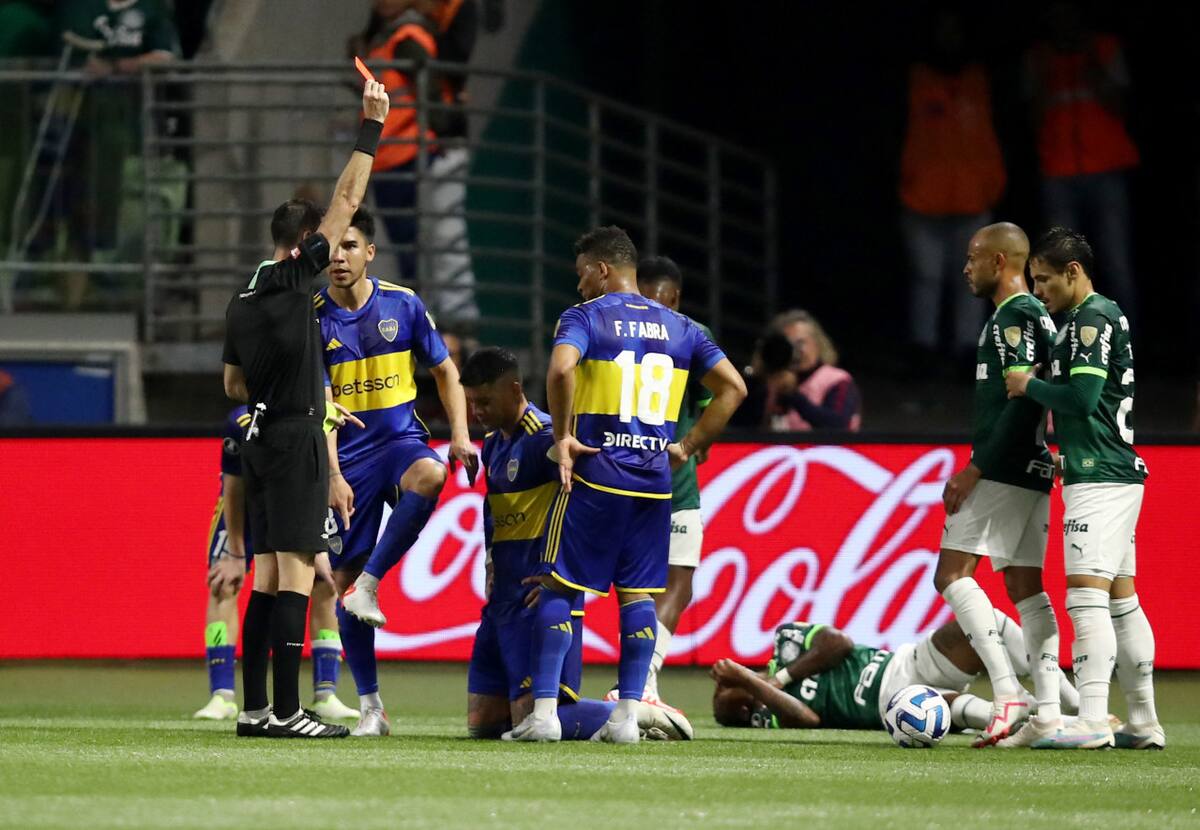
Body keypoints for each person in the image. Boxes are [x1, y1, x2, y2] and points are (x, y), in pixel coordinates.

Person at [509, 226, 746, 743]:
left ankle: (545, 716)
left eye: (581, 276)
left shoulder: (585, 317)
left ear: (600, 269)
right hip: (653, 482)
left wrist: (564, 435)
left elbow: (560, 368)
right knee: (637, 595)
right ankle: (625, 721)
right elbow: (734, 388)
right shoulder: (683, 327)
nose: (578, 288)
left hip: (597, 475)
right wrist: (688, 446)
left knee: (559, 585)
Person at [217, 78, 389, 739]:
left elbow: (233, 384)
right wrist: (371, 125)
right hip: (292, 443)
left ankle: (256, 708)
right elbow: (348, 198)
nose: (332, 245)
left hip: (256, 436)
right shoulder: (294, 283)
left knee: (264, 579)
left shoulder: (243, 300)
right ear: (301, 249)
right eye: (322, 241)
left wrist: (282, 383)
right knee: (295, 576)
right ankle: (290, 712)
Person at [458, 347, 690, 741]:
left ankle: (638, 715)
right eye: (471, 402)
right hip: (502, 601)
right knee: (483, 722)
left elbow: (580, 501)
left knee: (529, 718)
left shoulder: (548, 437)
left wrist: (558, 573)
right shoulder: (495, 442)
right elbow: (492, 507)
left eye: (484, 401)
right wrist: (491, 560)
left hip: (536, 597)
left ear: (514, 390)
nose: (476, 411)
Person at [317, 205, 478, 737]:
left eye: (350, 246)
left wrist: (458, 435)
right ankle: (372, 709)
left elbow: (445, 371)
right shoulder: (312, 315)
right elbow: (320, 405)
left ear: (370, 253)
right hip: (350, 459)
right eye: (332, 247)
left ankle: (371, 582)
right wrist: (334, 475)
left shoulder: (403, 304)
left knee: (432, 475)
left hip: (400, 441)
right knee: (340, 591)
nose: (338, 257)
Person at [1006, 227, 1162, 750]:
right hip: (1109, 469)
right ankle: (1143, 721)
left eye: (1045, 280)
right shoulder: (1096, 315)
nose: (1040, 290)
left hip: (1101, 476)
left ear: (1073, 271)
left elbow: (1081, 396)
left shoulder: (1091, 319)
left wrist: (1028, 384)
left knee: (1084, 598)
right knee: (1122, 600)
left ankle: (1093, 717)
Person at [931, 222, 1062, 748]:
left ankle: (1007, 691)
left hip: (1003, 467)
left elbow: (1024, 398)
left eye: (973, 257)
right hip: (1030, 467)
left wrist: (975, 468)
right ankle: (1049, 710)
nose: (965, 267)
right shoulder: (1032, 317)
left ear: (1001, 262)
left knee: (951, 573)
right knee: (1026, 589)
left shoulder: (1015, 317)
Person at [195, 407, 359, 723]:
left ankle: (326, 693)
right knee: (223, 582)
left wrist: (319, 542)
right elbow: (233, 483)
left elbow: (320, 478)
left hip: (299, 504)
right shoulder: (244, 421)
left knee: (324, 582)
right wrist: (236, 552)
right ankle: (222, 695)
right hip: (246, 505)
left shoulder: (320, 416)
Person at [710, 615, 1079, 734]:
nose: (751, 708)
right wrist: (758, 684)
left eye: (742, 699)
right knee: (948, 709)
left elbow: (839, 643)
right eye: (743, 711)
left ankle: (1072, 702)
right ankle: (1044, 720)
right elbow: (809, 718)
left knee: (984, 620)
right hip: (890, 708)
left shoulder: (786, 642)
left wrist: (777, 678)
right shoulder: (774, 712)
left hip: (904, 664)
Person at [621, 256, 712, 707]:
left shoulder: (613, 324)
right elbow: (724, 395)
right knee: (676, 582)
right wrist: (693, 444)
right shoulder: (691, 332)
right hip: (673, 482)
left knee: (630, 584)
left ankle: (634, 684)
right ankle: (641, 682)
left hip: (617, 473)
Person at [55, 0, 179, 309]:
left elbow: (164, 58)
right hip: (80, 130)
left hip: (130, 134)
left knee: (126, 208)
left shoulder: (152, 12)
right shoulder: (81, 9)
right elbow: (61, 56)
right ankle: (76, 292)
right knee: (79, 208)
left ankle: (122, 285)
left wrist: (114, 68)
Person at [899, 6, 1005, 361]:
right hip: (923, 198)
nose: (949, 40)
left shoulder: (979, 80)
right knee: (926, 279)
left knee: (973, 281)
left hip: (973, 197)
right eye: (943, 32)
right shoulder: (918, 78)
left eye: (955, 33)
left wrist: (993, 182)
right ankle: (922, 349)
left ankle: (966, 350)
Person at [1025, 2, 1140, 326]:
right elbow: (1031, 118)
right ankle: (1065, 342)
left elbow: (1121, 105)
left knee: (1115, 262)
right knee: (1061, 265)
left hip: (1106, 171)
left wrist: (1091, 65)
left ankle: (1125, 340)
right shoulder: (1039, 57)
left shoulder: (1105, 49)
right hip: (1058, 173)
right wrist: (1047, 76)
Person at [760, 309, 861, 432]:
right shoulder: (772, 382)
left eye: (800, 343)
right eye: (787, 345)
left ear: (817, 343)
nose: (794, 351)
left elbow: (837, 424)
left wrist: (793, 395)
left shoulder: (838, 380)